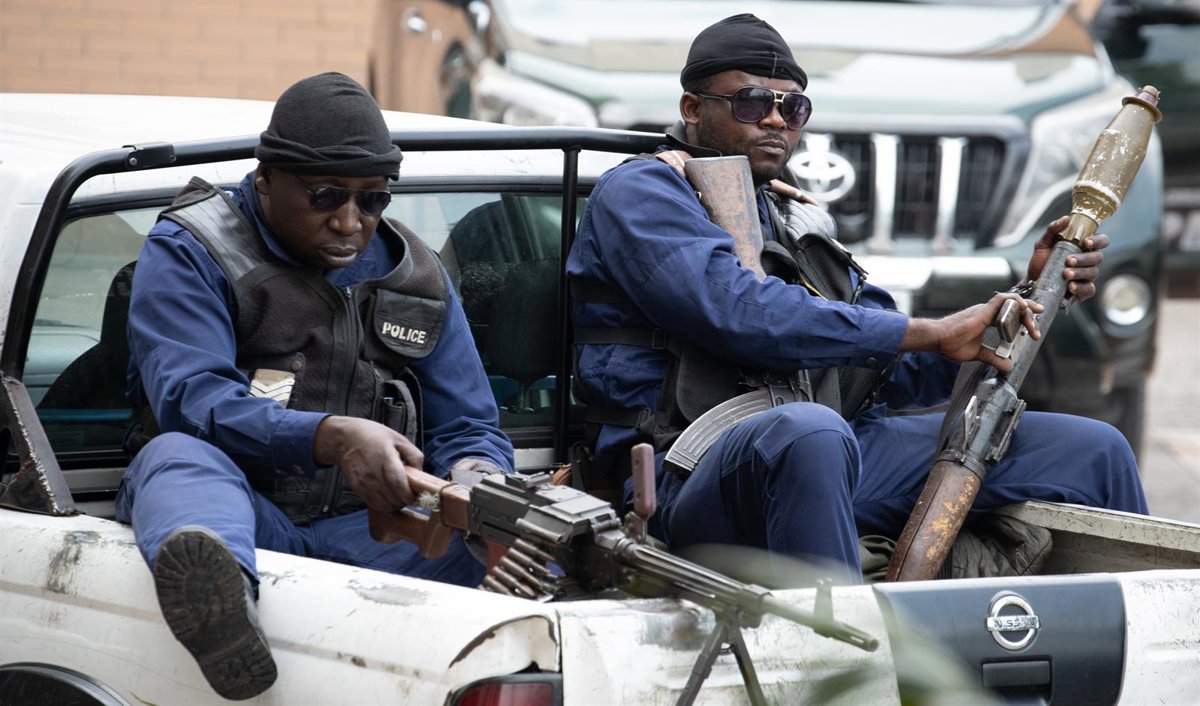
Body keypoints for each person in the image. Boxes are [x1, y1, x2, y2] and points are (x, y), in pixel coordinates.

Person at [566, 15, 1147, 583]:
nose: (775, 119)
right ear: (693, 109)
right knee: (811, 431)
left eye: (793, 108)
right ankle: (849, 647)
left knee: (1095, 450)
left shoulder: (788, 213)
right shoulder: (643, 191)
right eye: (751, 102)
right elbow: (739, 313)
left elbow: (892, 366)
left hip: (831, 451)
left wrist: (1026, 298)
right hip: (691, 471)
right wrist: (929, 333)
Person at [115, 72, 513, 700]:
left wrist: (475, 480)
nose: (350, 222)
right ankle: (224, 609)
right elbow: (193, 401)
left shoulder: (418, 277)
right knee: (174, 457)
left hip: (378, 537)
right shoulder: (193, 248)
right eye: (325, 196)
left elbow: (469, 425)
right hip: (251, 521)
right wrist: (331, 437)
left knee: (519, 530)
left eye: (372, 200)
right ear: (266, 178)